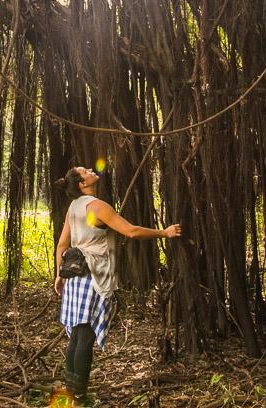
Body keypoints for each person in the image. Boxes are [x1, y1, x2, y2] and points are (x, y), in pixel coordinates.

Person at [53, 165, 180, 403]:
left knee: (76, 337)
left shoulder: (74, 207)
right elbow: (131, 232)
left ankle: (71, 392)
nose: (90, 169)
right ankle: (78, 396)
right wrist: (165, 233)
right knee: (85, 338)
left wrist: (60, 274)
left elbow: (62, 245)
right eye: (84, 170)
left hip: (73, 277)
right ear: (82, 184)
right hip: (93, 277)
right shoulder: (97, 206)